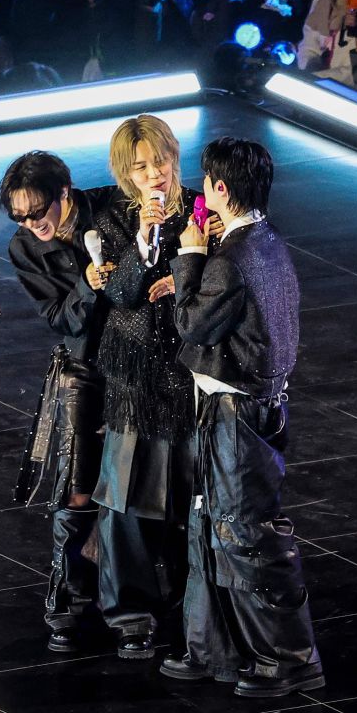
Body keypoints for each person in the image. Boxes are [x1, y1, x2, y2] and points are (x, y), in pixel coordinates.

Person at [162, 136, 323, 699]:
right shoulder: (267, 243)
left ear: (219, 189)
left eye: (204, 183)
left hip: (237, 412)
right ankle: (214, 649)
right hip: (248, 406)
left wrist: (188, 256)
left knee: (245, 535)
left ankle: (287, 657)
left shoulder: (231, 260)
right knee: (214, 528)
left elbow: (190, 324)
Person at [89, 114, 201, 659]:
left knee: (191, 493)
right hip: (134, 371)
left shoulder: (202, 207)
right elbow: (122, 292)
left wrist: (179, 276)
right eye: (140, 167)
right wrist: (141, 239)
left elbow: (227, 275)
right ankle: (130, 610)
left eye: (159, 161)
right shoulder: (112, 215)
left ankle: (191, 603)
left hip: (189, 368)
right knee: (128, 495)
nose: (153, 174)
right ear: (126, 173)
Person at [1, 150, 116, 653]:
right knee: (76, 487)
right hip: (84, 365)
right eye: (20, 216)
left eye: (37, 211)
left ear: (63, 194)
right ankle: (67, 600)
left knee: (145, 485)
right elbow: (60, 317)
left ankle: (144, 593)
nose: (31, 223)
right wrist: (89, 290)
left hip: (140, 361)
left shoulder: (110, 211)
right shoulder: (25, 247)